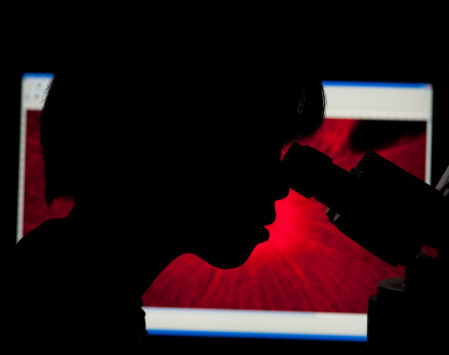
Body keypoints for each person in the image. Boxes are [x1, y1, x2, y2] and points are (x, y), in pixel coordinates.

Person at [9, 51, 325, 353]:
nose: (281, 186)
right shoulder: (74, 316)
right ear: (172, 140)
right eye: (261, 150)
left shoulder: (78, 282)